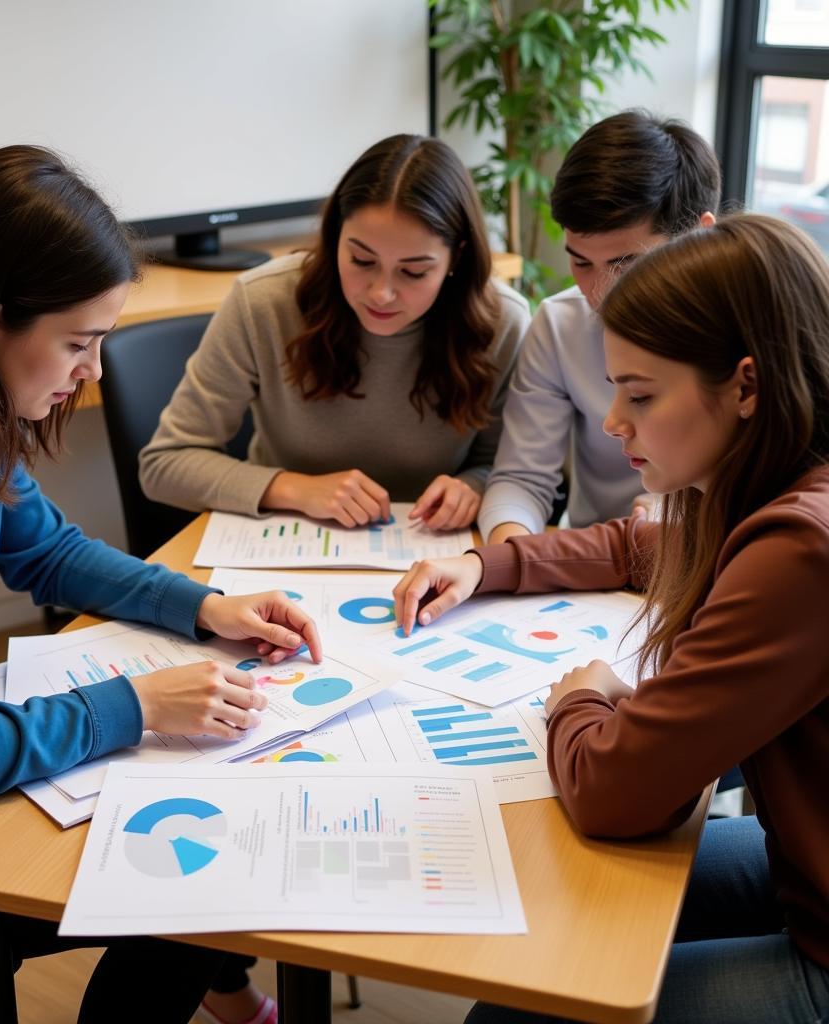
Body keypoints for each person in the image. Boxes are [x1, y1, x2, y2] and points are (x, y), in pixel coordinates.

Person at [0, 145, 323, 1024]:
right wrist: (139, 705)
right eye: (78, 343)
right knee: (200, 874)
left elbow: (48, 552)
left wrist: (203, 606)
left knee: (218, 839)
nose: (91, 373)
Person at [393, 214, 829, 1022]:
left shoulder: (799, 549)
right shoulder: (775, 484)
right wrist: (486, 563)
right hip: (804, 866)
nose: (614, 423)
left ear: (744, 386)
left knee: (524, 1007)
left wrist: (579, 698)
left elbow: (613, 792)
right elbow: (638, 545)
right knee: (559, 914)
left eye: (639, 394)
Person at [140, 133, 530, 532]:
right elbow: (165, 463)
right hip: (282, 548)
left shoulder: (502, 324)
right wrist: (296, 489)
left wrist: (474, 487)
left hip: (433, 553)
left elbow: (511, 470)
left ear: (456, 258)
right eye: (361, 260)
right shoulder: (263, 303)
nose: (382, 292)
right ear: (335, 236)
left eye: (414, 271)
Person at [478, 109, 721, 544]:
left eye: (626, 263)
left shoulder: (757, 330)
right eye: (580, 262)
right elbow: (521, 479)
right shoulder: (558, 325)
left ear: (701, 236)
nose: (600, 291)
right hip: (593, 566)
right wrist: (510, 559)